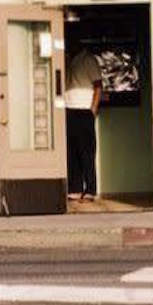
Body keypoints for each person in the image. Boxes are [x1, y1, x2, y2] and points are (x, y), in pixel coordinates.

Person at [65, 47, 103, 202]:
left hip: (84, 109)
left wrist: (93, 109)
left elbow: (98, 85)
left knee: (86, 152)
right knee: (72, 151)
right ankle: (75, 188)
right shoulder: (69, 59)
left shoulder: (88, 59)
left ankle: (90, 190)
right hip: (69, 108)